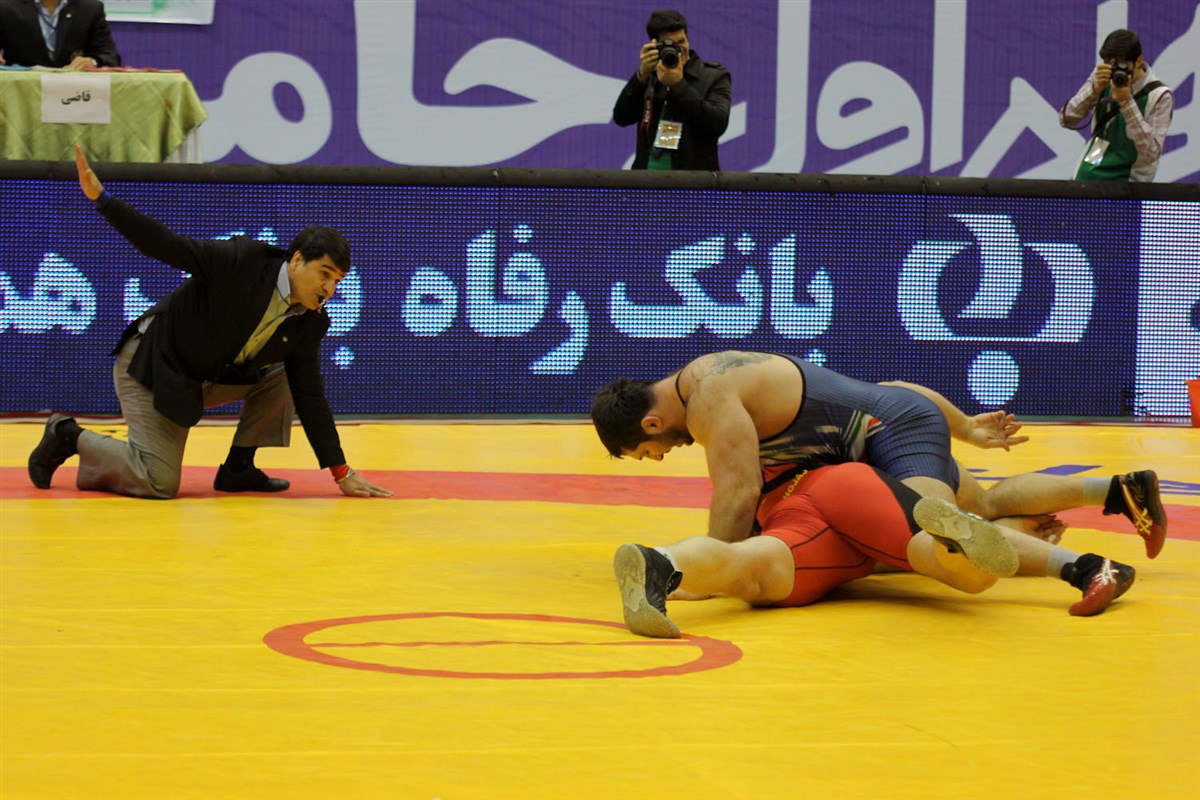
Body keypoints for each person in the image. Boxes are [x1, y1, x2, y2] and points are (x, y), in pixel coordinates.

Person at [27, 145, 391, 500]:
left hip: (205, 375)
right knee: (159, 482)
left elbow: (310, 394)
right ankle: (68, 435)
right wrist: (104, 200)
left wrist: (341, 471)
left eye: (337, 281)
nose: (329, 288)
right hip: (154, 364)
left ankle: (238, 469)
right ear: (296, 260)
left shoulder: (310, 321)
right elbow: (166, 245)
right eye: (324, 274)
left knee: (285, 375)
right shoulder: (241, 262)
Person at [590, 351, 1167, 556]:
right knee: (985, 505)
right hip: (890, 425)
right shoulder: (709, 381)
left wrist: (711, 568)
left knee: (940, 531)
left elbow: (739, 492)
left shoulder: (708, 397)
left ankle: (1077, 566)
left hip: (892, 431)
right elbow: (886, 388)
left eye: (648, 451)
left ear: (651, 422)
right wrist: (965, 428)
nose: (661, 457)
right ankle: (1118, 490)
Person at [614, 462, 1138, 639]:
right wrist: (966, 432)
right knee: (949, 564)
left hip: (786, 509)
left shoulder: (735, 413)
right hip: (847, 490)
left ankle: (666, 561)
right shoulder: (846, 405)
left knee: (748, 569)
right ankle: (1083, 566)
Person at [612, 8, 731, 171]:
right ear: (654, 45)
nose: (679, 49)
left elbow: (718, 123)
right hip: (645, 179)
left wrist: (678, 85)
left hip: (693, 180)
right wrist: (641, 76)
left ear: (688, 38)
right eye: (670, 45)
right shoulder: (650, 77)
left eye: (681, 41)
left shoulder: (713, 76)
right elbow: (621, 118)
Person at [1059, 28, 1173, 182]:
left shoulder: (1160, 95)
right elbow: (1065, 119)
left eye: (1122, 65)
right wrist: (1094, 90)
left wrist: (1126, 103)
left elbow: (1151, 154)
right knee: (1087, 179)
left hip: (1130, 180)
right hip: (1093, 166)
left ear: (1139, 61)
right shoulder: (1103, 76)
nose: (1116, 70)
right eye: (1110, 64)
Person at [0, 0, 122, 70]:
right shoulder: (6, 7)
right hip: (23, 92)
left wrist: (93, 62)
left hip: (75, 91)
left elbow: (110, 56)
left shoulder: (90, 8)